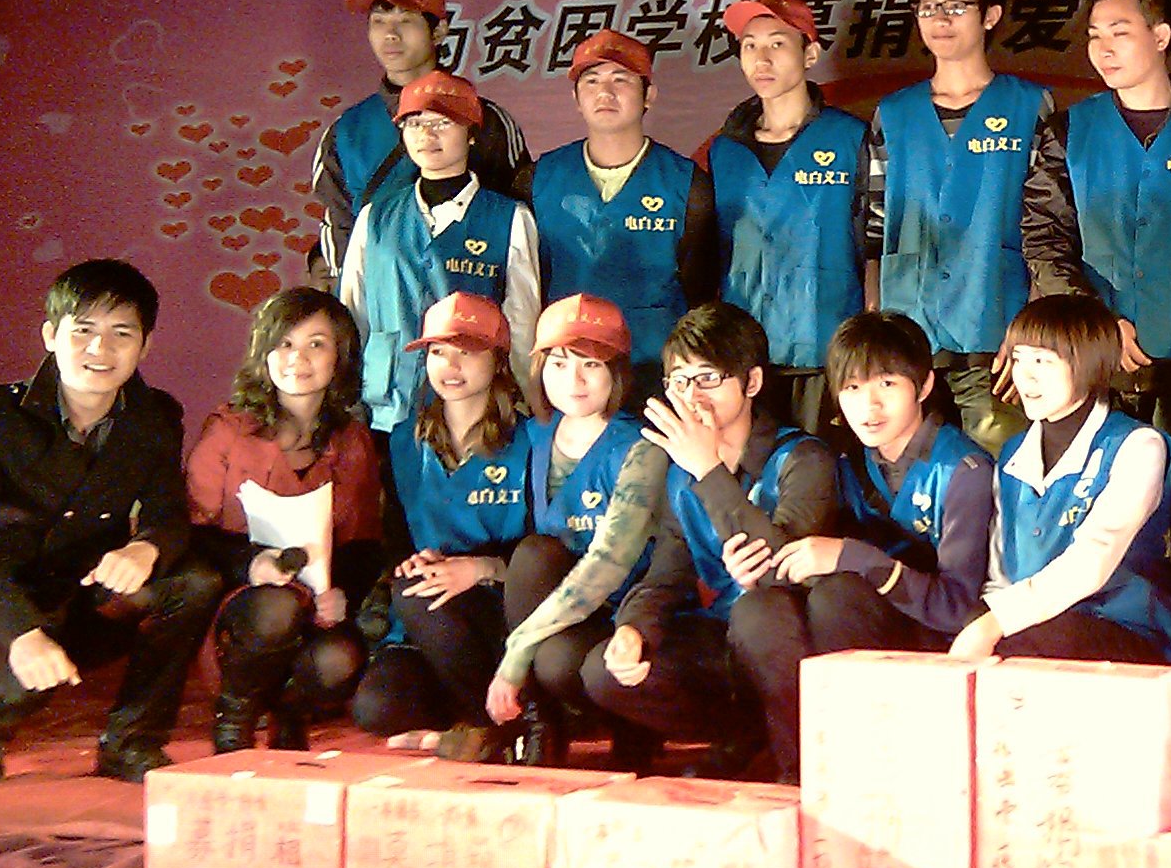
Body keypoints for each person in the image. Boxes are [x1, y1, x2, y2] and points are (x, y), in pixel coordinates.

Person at [0, 260, 224, 784]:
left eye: (121, 334)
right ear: (51, 336)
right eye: (83, 330)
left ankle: (131, 741)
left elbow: (167, 512)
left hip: (84, 591)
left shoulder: (154, 416)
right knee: (15, 685)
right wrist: (22, 633)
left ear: (145, 346)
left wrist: (147, 547)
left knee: (193, 582)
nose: (100, 349)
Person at [722, 310, 996, 782]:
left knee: (838, 596)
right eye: (851, 388)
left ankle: (865, 764)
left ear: (924, 386)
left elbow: (958, 608)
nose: (869, 405)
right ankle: (801, 768)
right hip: (866, 623)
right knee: (758, 611)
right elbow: (801, 560)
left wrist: (854, 558)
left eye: (886, 384)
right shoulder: (848, 459)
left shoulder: (962, 470)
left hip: (940, 638)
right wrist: (751, 571)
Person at [582, 302, 843, 774]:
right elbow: (668, 572)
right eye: (679, 382)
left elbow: (784, 568)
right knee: (603, 670)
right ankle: (742, 734)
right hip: (723, 639)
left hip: (791, 640)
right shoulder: (680, 472)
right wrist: (633, 628)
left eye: (708, 378)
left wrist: (709, 470)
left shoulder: (803, 458)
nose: (692, 397)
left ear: (752, 382)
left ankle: (800, 769)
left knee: (759, 612)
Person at [1022, 0, 1171, 438]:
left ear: (1161, 37)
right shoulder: (1068, 130)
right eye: (1094, 36)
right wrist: (1095, 320)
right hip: (1095, 359)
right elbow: (1044, 237)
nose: (1104, 49)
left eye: (1119, 33)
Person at [859, 0, 1052, 451]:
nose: (940, 20)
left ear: (990, 15)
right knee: (913, 470)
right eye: (927, 7)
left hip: (997, 323)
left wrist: (1033, 325)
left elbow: (1050, 222)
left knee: (999, 465)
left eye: (956, 5)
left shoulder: (1030, 105)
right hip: (909, 330)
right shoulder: (893, 113)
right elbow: (875, 224)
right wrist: (876, 317)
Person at [186, 287, 382, 752]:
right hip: (240, 606)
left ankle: (292, 711)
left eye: (317, 344)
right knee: (275, 606)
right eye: (285, 343)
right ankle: (234, 717)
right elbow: (191, 532)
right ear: (264, 352)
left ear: (340, 357)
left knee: (339, 660)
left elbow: (363, 543)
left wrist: (343, 594)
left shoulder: (352, 440)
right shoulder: (228, 431)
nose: (298, 358)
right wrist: (250, 565)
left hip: (314, 606)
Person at [481, 295, 668, 768]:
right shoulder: (535, 435)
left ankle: (637, 728)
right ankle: (539, 726)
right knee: (534, 557)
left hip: (628, 611)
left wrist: (517, 649)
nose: (574, 381)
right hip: (565, 611)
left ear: (617, 372)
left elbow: (609, 562)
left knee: (556, 659)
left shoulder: (640, 447)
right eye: (559, 364)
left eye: (591, 365)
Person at [347, 293, 536, 760]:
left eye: (466, 352)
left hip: (501, 610)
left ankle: (491, 724)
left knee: (420, 593)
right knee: (377, 707)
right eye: (437, 352)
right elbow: (394, 538)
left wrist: (481, 568)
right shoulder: (404, 442)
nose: (450, 366)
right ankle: (468, 723)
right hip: (428, 615)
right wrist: (412, 561)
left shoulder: (531, 441)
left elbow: (547, 550)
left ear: (498, 360)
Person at [946, 294, 1171, 665]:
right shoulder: (1013, 453)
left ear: (1089, 364)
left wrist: (996, 624)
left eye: (1042, 361)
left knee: (1014, 652)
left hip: (1121, 627)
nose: (1026, 376)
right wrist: (984, 619)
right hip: (1027, 625)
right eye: (1018, 359)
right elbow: (1000, 569)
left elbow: (1093, 559)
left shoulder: (1137, 445)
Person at [339, 69, 542, 433]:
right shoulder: (375, 218)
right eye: (415, 123)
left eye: (442, 123)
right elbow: (354, 313)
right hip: (387, 408)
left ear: (472, 133)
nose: (427, 135)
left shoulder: (508, 218)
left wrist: (529, 402)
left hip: (476, 410)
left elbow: (522, 322)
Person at [706, 0, 867, 435]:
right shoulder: (726, 150)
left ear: (809, 54)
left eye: (777, 43)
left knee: (824, 467)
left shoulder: (850, 138)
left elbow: (875, 241)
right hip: (745, 356)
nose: (762, 59)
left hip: (827, 349)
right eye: (749, 45)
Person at [311, 0, 529, 283]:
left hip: (473, 297)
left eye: (405, 21)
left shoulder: (487, 120)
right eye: (379, 22)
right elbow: (339, 226)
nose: (390, 34)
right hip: (385, 302)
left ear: (438, 31)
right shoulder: (346, 132)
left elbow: (516, 216)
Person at [531, 31, 714, 405]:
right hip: (569, 376)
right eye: (592, 81)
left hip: (655, 373)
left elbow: (700, 287)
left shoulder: (687, 183)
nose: (605, 92)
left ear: (649, 95)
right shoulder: (539, 178)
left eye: (621, 80)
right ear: (576, 98)